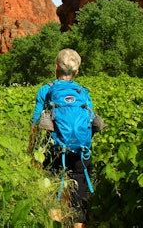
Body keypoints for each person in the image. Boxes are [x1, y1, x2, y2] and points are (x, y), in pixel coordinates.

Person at [28, 49, 101, 228]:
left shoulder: (46, 90)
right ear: (76, 71)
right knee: (79, 199)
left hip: (55, 150)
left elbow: (35, 122)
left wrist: (31, 150)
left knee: (55, 194)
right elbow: (91, 121)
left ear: (56, 68)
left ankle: (57, 223)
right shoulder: (83, 93)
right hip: (81, 153)